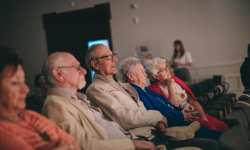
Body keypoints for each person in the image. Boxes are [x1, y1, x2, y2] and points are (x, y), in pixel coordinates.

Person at [85, 44, 220, 150]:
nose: (115, 59)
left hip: (158, 133)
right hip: (146, 141)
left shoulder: (120, 85)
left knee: (213, 142)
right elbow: (124, 118)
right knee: (212, 145)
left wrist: (158, 121)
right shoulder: (96, 88)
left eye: (113, 55)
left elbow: (141, 108)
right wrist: (159, 117)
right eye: (108, 57)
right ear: (95, 64)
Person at [41, 52, 156, 150]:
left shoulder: (76, 97)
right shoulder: (54, 105)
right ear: (58, 74)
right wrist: (133, 144)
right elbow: (84, 145)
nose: (84, 71)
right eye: (76, 67)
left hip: (132, 139)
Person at [119, 57, 223, 141]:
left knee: (220, 134)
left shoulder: (145, 90)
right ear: (130, 76)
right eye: (142, 71)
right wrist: (181, 114)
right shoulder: (137, 93)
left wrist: (181, 112)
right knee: (217, 138)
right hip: (175, 124)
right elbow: (155, 114)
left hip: (181, 118)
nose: (145, 74)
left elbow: (170, 106)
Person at [0, 46, 81, 150]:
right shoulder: (4, 132)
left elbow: (74, 144)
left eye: (23, 81)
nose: (26, 90)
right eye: (14, 83)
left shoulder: (31, 116)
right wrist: (65, 146)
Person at [145, 57, 228, 133]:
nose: (167, 70)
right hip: (184, 120)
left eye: (167, 67)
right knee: (211, 127)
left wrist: (204, 118)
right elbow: (174, 108)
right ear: (155, 76)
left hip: (197, 113)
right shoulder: (153, 91)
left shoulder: (176, 80)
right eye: (163, 70)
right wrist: (170, 86)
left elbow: (192, 101)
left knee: (223, 127)